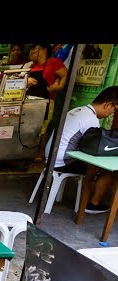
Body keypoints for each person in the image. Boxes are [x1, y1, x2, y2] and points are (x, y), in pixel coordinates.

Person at [50, 86, 118, 214]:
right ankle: (91, 204)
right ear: (107, 105)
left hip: (51, 156)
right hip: (63, 161)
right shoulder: (91, 120)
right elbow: (91, 151)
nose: (111, 114)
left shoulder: (77, 110)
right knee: (107, 170)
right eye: (114, 110)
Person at [26, 43, 68, 163]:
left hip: (46, 101)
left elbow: (65, 74)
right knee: (29, 128)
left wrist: (57, 87)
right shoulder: (32, 66)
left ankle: (40, 152)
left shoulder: (53, 62)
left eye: (34, 48)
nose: (31, 51)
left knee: (42, 129)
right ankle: (28, 151)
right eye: (31, 49)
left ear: (44, 49)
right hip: (30, 101)